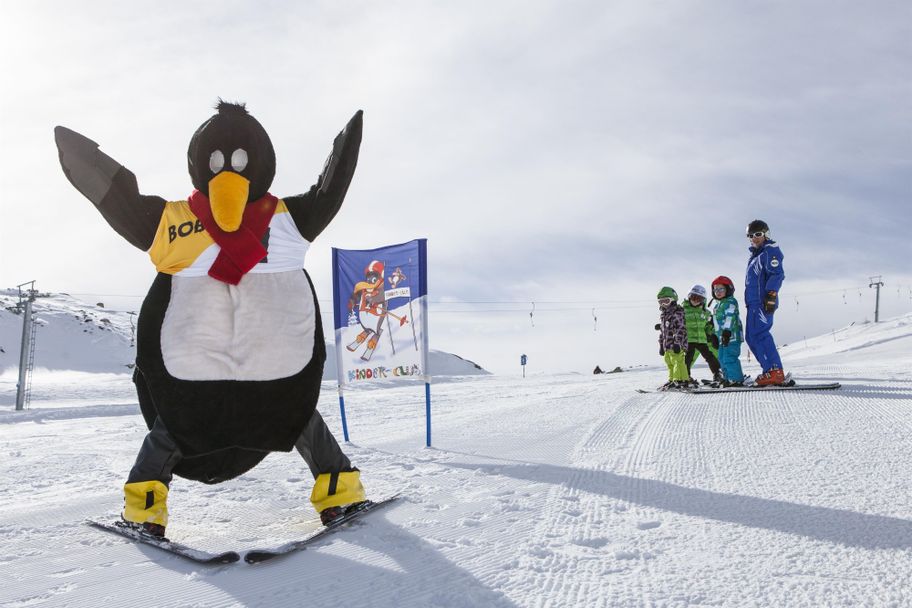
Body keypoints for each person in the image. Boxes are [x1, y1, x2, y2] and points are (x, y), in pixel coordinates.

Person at [744, 219, 786, 385]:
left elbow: (777, 274)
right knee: (751, 337)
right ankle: (769, 370)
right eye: (751, 236)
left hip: (764, 301)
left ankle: (775, 370)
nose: (755, 238)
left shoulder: (770, 251)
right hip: (753, 303)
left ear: (766, 234)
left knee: (760, 334)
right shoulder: (755, 255)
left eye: (758, 234)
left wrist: (771, 295)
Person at [682, 284, 722, 384]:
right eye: (693, 297)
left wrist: (711, 334)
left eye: (699, 298)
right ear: (689, 297)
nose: (695, 300)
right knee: (688, 358)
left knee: (710, 357)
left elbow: (708, 326)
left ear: (703, 300)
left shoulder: (706, 313)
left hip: (701, 340)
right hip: (689, 340)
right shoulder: (682, 311)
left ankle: (717, 373)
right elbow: (675, 321)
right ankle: (685, 376)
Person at [710, 275, 746, 386]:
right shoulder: (717, 306)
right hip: (722, 338)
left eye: (721, 289)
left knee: (729, 357)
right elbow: (716, 323)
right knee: (721, 358)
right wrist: (714, 336)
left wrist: (726, 331)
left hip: (732, 336)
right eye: (715, 290)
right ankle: (727, 378)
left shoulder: (731, 302)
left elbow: (730, 317)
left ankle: (736, 379)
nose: (718, 292)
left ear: (728, 289)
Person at [656, 287, 688, 389]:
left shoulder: (677, 313)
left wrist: (678, 342)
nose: (663, 304)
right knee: (669, 362)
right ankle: (672, 379)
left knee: (677, 362)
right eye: (661, 302)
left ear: (673, 300)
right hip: (667, 345)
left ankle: (680, 380)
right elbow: (663, 332)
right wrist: (661, 345)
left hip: (676, 344)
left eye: (666, 301)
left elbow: (680, 329)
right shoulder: (664, 315)